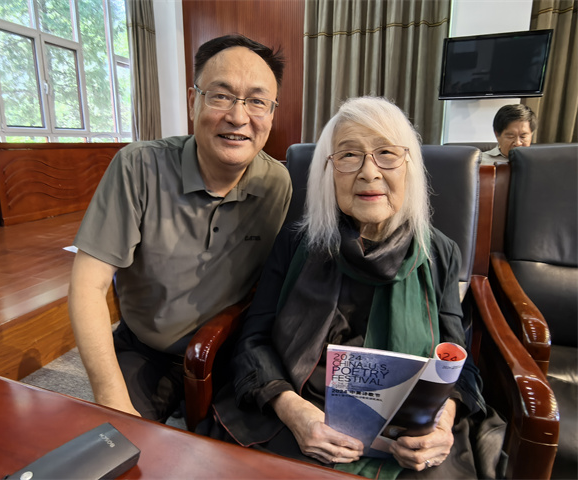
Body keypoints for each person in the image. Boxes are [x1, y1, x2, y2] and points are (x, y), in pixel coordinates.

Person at [205, 96, 491, 479]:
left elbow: (455, 360)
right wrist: (294, 412)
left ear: (408, 166)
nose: (369, 173)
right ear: (329, 171)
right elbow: (254, 340)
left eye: (386, 154)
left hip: (406, 432)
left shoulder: (438, 252)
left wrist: (442, 423)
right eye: (349, 155)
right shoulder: (296, 244)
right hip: (301, 410)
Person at [68, 34, 292, 422]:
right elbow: (87, 285)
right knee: (116, 438)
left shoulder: (277, 183)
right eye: (221, 96)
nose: (239, 117)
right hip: (147, 348)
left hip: (229, 346)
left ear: (271, 114)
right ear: (193, 101)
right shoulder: (138, 167)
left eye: (257, 101)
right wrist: (111, 397)